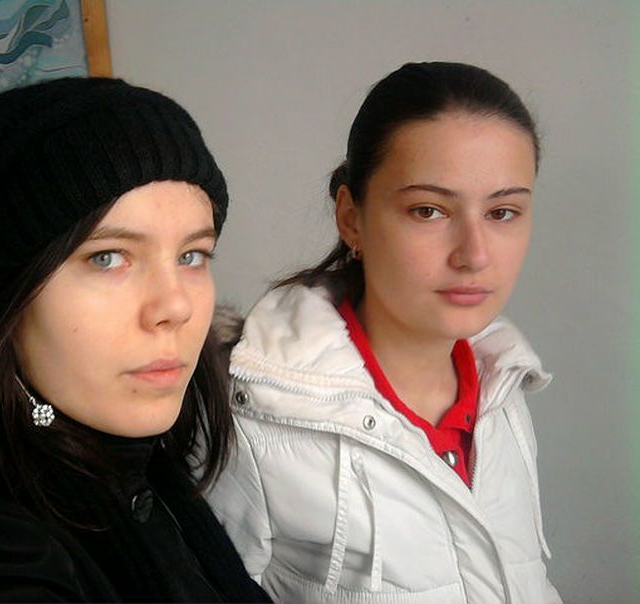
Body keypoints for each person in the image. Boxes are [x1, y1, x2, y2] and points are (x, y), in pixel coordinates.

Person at [0, 77, 272, 604]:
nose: (176, 306)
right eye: (106, 257)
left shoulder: (129, 459)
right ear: (2, 299)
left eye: (191, 256)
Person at [206, 62, 562, 604]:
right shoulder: (254, 420)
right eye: (429, 210)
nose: (475, 255)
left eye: (503, 212)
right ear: (352, 218)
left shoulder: (505, 384)